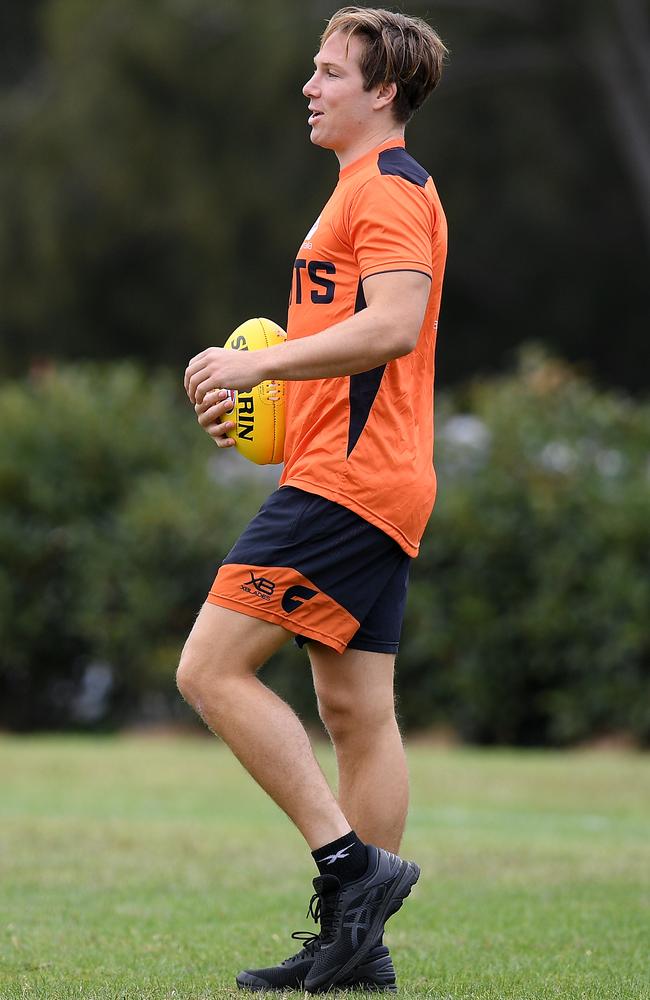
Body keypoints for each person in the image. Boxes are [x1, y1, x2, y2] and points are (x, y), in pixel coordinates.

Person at [179, 6, 448, 993]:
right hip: (352, 472)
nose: (309, 85)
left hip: (352, 484)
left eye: (329, 72)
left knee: (208, 669)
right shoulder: (354, 191)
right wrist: (265, 423)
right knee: (356, 712)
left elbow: (393, 327)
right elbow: (349, 372)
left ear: (381, 92)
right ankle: (354, 952)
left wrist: (261, 370)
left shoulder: (386, 189)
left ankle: (351, 870)